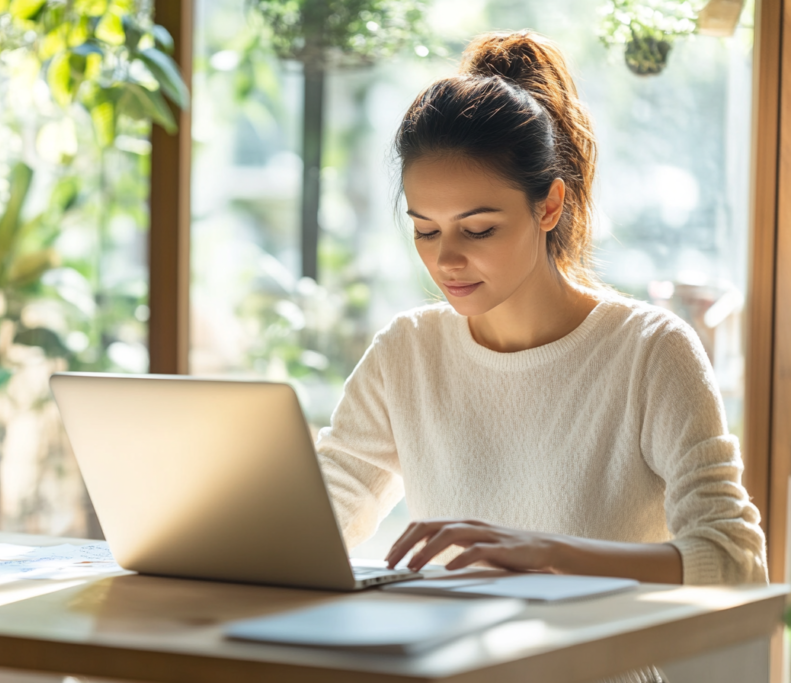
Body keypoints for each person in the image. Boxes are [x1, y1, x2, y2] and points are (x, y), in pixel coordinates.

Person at [316, 30, 767, 586]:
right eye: (425, 230)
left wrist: (552, 553)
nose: (446, 260)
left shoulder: (648, 351)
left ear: (549, 205)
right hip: (445, 670)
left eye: (478, 229)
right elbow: (308, 525)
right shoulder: (406, 352)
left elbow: (735, 560)